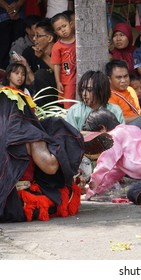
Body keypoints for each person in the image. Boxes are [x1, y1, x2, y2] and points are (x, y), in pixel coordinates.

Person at [0, 62, 84, 223]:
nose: (20, 76)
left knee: (54, 125)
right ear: (8, 75)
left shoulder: (24, 95)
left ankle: (72, 148)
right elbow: (14, 120)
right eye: (16, 73)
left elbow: (31, 118)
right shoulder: (5, 95)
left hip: (26, 135)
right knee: (50, 153)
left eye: (23, 74)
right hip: (17, 138)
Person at [106, 59, 141, 139]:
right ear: (109, 79)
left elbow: (138, 112)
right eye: (119, 77)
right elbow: (117, 121)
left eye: (126, 76)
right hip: (121, 129)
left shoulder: (130, 89)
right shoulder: (109, 95)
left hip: (136, 125)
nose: (123, 80)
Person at [19, 18, 58, 107]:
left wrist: (43, 56)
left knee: (41, 73)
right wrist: (27, 68)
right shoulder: (30, 52)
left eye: (38, 36)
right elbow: (34, 83)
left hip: (58, 100)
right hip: (38, 98)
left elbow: (63, 77)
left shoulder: (61, 51)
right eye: (34, 35)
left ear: (49, 38)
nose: (34, 39)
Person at [50, 12, 77, 109]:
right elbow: (56, 65)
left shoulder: (80, 39)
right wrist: (58, 82)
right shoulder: (57, 47)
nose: (63, 30)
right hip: (67, 80)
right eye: (59, 29)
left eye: (64, 26)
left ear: (71, 24)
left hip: (81, 75)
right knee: (69, 104)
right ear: (55, 33)